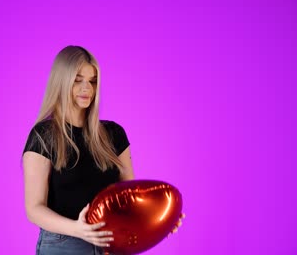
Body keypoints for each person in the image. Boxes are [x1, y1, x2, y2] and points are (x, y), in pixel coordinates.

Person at [22, 46, 183, 255]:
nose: (86, 88)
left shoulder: (114, 134)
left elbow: (131, 198)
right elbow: (34, 208)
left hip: (112, 243)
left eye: (92, 80)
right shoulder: (44, 136)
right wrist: (78, 229)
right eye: (78, 80)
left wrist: (160, 218)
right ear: (61, 82)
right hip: (65, 244)